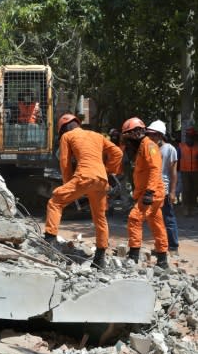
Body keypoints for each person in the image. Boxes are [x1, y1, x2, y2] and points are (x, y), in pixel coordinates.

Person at [44, 113, 123, 269]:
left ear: (63, 129)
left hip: (84, 177)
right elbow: (118, 153)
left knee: (55, 202)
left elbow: (65, 163)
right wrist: (109, 171)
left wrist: (68, 185)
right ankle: (99, 259)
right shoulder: (97, 135)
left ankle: (49, 242)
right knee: (100, 218)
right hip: (101, 181)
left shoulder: (67, 137)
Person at [122, 117, 169, 269]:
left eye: (129, 135)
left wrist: (149, 192)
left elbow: (155, 169)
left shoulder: (149, 146)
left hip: (152, 193)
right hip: (149, 192)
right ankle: (162, 260)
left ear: (136, 133)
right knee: (157, 224)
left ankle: (133, 257)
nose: (127, 139)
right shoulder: (142, 146)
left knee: (134, 218)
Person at [146, 120, 179, 254]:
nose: (150, 137)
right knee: (155, 220)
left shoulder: (169, 149)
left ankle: (173, 247)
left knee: (168, 219)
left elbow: (173, 173)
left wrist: (172, 192)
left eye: (153, 134)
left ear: (160, 135)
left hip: (164, 190)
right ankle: (160, 246)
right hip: (152, 190)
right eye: (149, 134)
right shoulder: (150, 148)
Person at [177, 126, 198, 216]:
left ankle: (192, 208)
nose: (190, 138)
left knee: (194, 190)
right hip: (184, 171)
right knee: (186, 189)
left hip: (195, 171)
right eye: (188, 136)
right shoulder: (181, 147)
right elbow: (177, 159)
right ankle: (185, 208)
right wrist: (176, 170)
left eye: (192, 136)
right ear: (186, 137)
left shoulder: (197, 147)